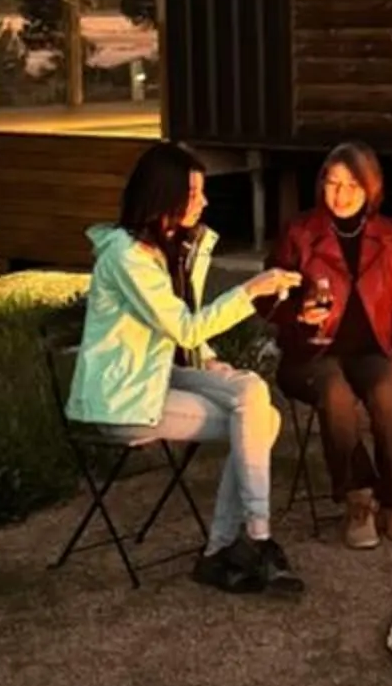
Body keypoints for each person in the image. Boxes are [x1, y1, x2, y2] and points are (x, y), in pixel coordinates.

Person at [68, 142, 306, 593]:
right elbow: (184, 327)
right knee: (258, 422)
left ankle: (237, 546)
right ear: (164, 195)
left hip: (154, 378)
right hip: (122, 400)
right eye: (194, 193)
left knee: (252, 396)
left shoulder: (169, 249)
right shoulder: (127, 257)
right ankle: (246, 542)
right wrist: (251, 290)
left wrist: (209, 358)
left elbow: (184, 332)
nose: (204, 202)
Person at [268, 143, 392, 548]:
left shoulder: (389, 235)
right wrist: (298, 313)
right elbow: (266, 299)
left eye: (352, 184)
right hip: (310, 353)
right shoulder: (300, 232)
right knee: (335, 393)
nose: (341, 194)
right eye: (333, 183)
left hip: (371, 351)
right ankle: (357, 500)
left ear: (370, 188)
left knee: (387, 389)